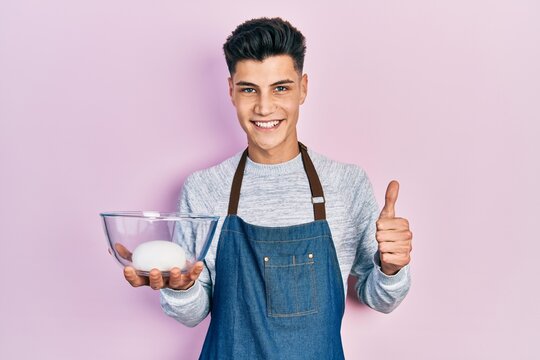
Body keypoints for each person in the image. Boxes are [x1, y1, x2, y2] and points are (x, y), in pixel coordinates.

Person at [124, 16, 412, 359]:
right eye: (249, 89)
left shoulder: (346, 184)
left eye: (281, 88)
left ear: (303, 88)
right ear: (231, 91)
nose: (264, 107)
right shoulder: (205, 188)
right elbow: (192, 313)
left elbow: (379, 298)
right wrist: (182, 288)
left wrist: (391, 268)